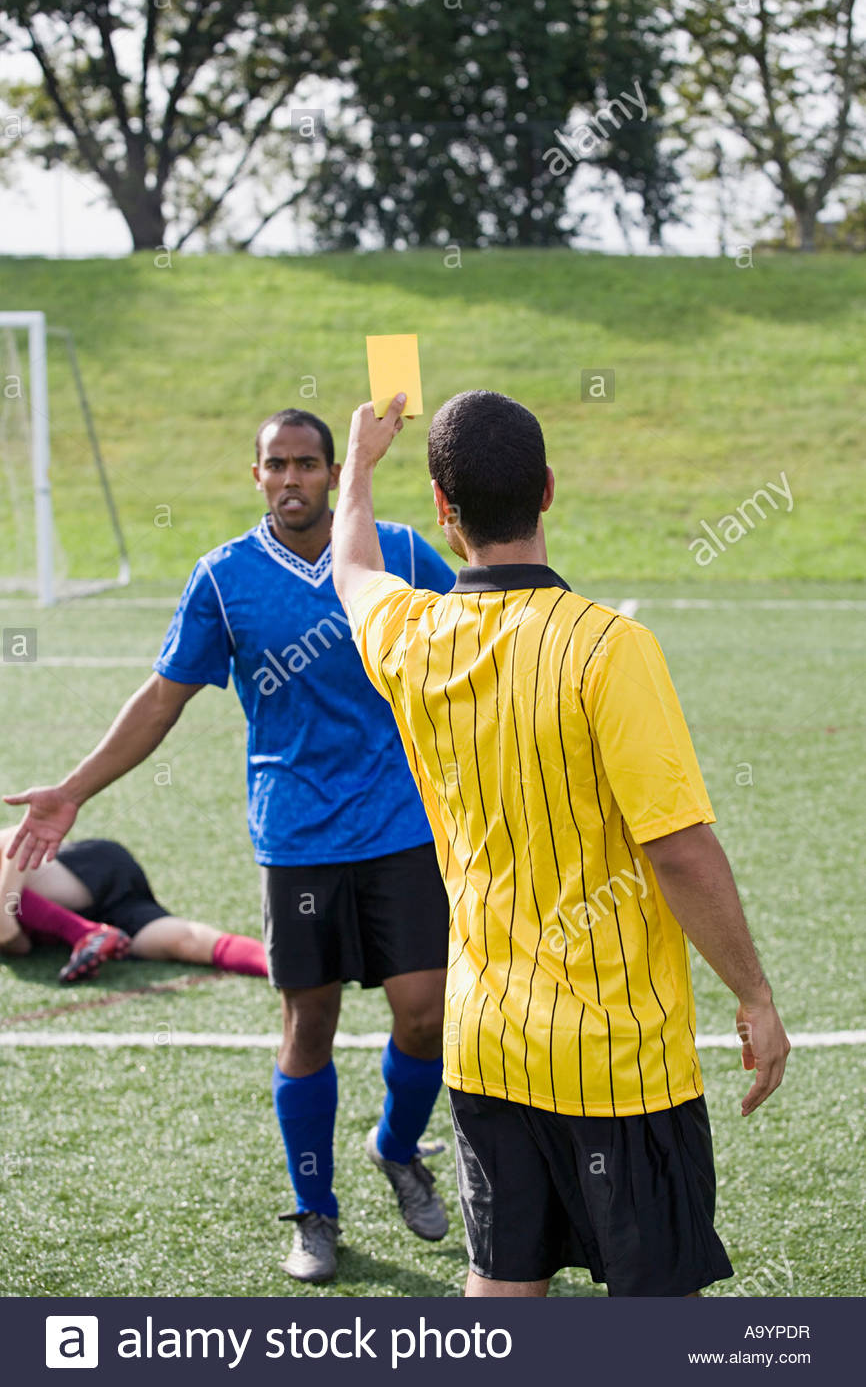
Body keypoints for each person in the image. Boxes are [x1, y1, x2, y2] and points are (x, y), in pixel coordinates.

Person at [331, 389, 791, 1298]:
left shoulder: (413, 637)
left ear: (442, 510)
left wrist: (361, 462)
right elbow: (680, 851)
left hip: (487, 1043)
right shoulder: (611, 650)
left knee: (502, 1295)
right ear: (548, 491)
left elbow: (351, 567)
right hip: (618, 1062)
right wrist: (755, 994)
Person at [3, 406, 456, 1285]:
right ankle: (315, 1214)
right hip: (298, 838)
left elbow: (481, 615)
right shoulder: (224, 579)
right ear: (256, 478)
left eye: (308, 464)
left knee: (425, 1011)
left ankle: (398, 1149)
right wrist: (73, 789)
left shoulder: (397, 554)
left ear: (334, 472)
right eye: (276, 465)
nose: (292, 479)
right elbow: (161, 700)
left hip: (403, 826)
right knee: (309, 1021)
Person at [0, 827, 267, 981]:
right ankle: (293, 967)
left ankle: (85, 932)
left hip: (86, 872)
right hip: (106, 918)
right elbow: (18, 944)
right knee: (186, 943)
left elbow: (20, 837)